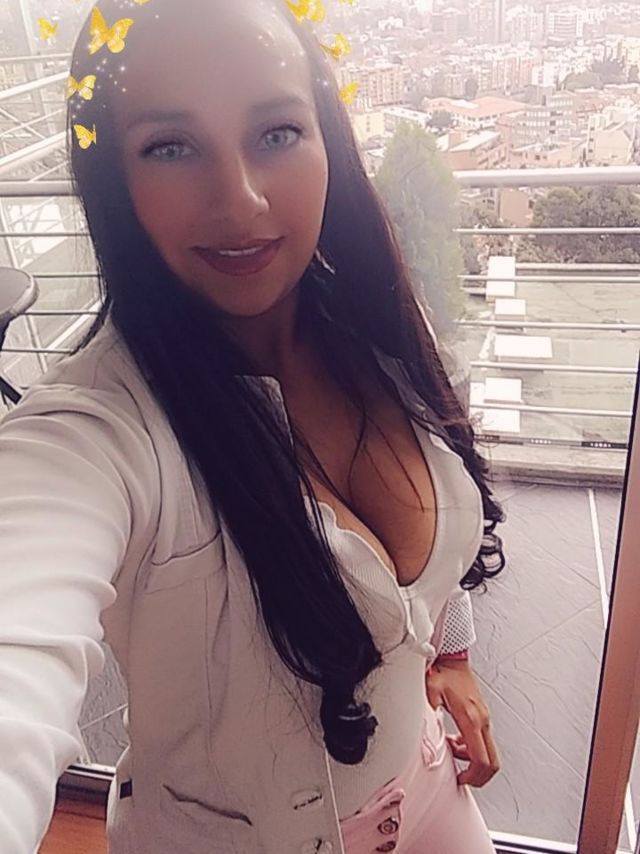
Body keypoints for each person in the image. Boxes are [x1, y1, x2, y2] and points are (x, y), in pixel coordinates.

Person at [0, 0, 508, 851]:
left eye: (276, 132)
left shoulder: (372, 332)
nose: (239, 199)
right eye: (170, 146)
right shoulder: (100, 432)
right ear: (114, 177)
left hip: (430, 791)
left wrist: (449, 655)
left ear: (326, 137)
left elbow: (430, 555)